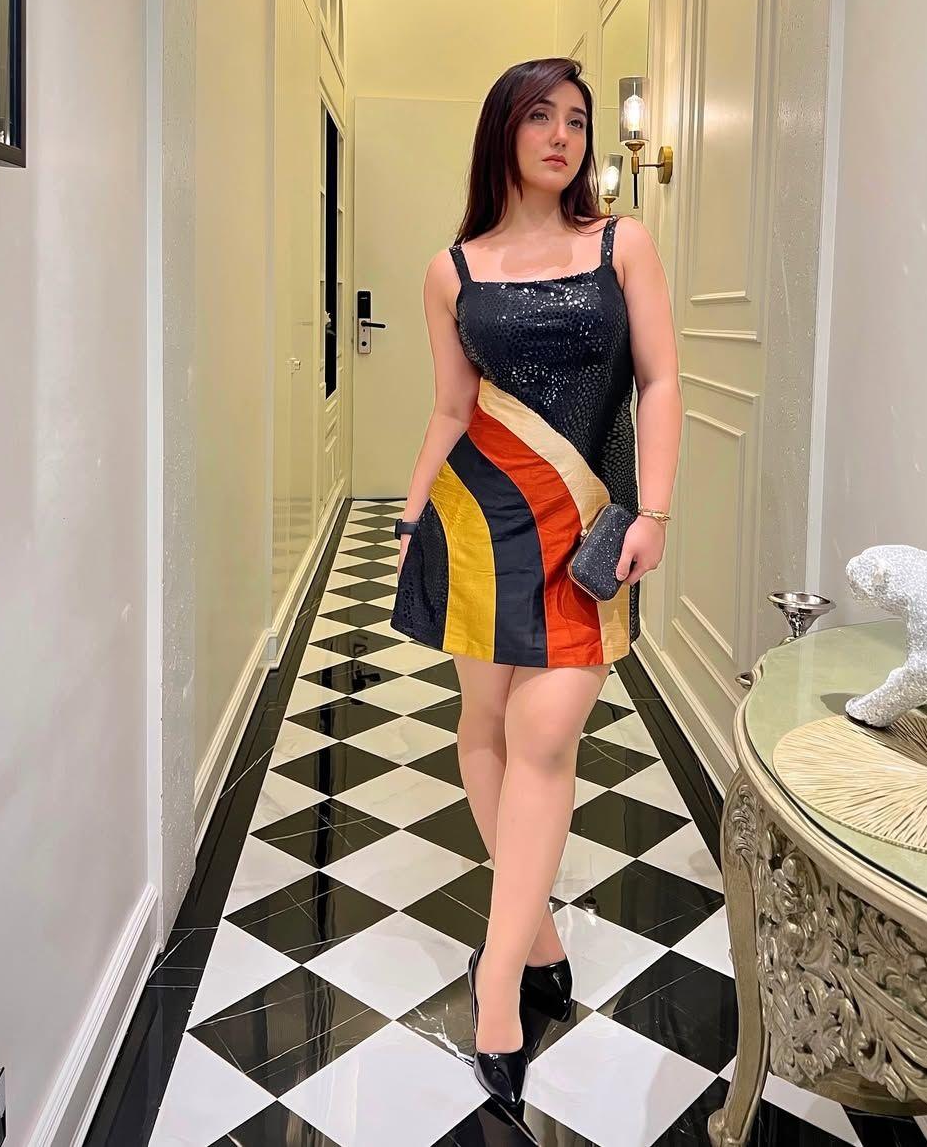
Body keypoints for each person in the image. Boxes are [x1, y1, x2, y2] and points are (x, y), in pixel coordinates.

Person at [390, 55, 682, 1108]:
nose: (563, 136)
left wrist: (653, 511)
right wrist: (412, 511)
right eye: (541, 117)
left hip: (588, 524)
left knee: (544, 730)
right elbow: (452, 408)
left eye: (578, 120)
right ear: (503, 132)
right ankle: (541, 931)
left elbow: (659, 378)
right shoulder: (451, 270)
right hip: (477, 520)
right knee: (484, 723)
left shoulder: (620, 244)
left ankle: (498, 981)